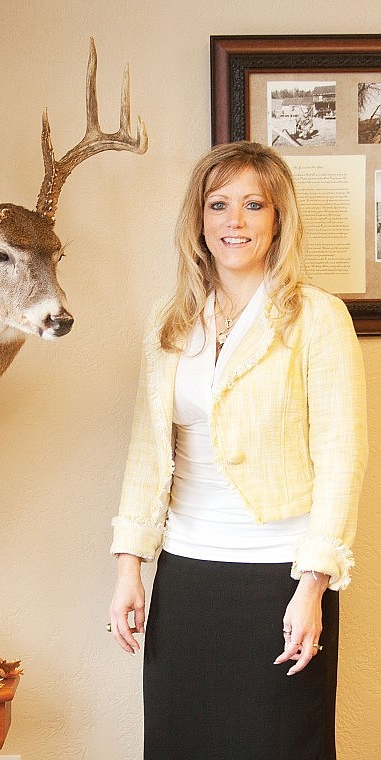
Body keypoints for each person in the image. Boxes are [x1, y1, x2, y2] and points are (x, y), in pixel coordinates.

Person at [108, 141, 368, 760]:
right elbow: (148, 451)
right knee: (182, 743)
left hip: (281, 576)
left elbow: (341, 457)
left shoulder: (318, 317)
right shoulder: (169, 322)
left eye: (254, 205)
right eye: (219, 204)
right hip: (188, 570)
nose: (235, 221)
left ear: (278, 218)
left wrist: (313, 586)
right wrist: (129, 569)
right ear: (198, 221)